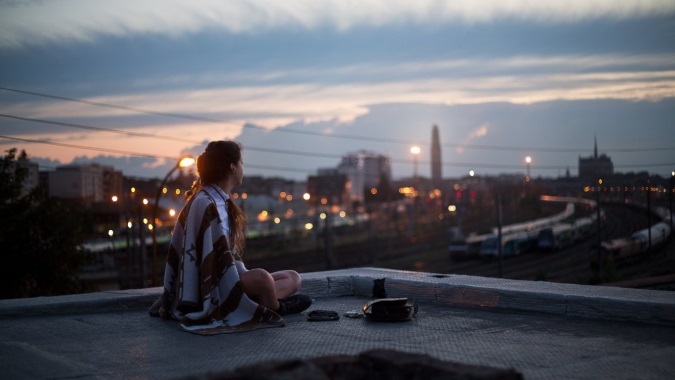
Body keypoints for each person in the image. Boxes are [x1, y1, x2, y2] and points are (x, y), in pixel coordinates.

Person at [149, 140, 311, 334]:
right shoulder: (204, 202)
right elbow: (205, 262)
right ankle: (276, 308)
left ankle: (258, 303)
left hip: (231, 275)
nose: (243, 168)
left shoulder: (220, 200)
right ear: (233, 167)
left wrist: (239, 273)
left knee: (293, 278)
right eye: (241, 163)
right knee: (262, 278)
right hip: (211, 286)